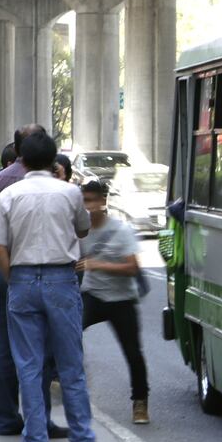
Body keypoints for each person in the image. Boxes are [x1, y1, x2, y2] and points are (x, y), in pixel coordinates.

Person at [0, 131, 96, 442]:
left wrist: (12, 277)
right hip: (62, 278)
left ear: (21, 158)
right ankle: (83, 439)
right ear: (53, 160)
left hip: (23, 279)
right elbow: (83, 229)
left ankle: (35, 441)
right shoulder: (70, 193)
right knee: (71, 364)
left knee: (28, 365)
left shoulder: (10, 194)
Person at [0, 125, 65, 439]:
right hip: (37, 272)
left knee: (2, 343)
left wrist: (5, 269)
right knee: (39, 348)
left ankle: (5, 418)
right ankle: (39, 420)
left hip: (3, 272)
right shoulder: (58, 186)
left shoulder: (0, 180)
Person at [78, 180, 150, 424]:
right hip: (92, 295)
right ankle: (70, 387)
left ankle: (140, 402)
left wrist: (97, 264)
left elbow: (132, 267)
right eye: (83, 201)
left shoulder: (121, 230)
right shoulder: (80, 230)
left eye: (91, 201)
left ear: (102, 202)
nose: (87, 207)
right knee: (68, 334)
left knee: (133, 352)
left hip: (121, 299)